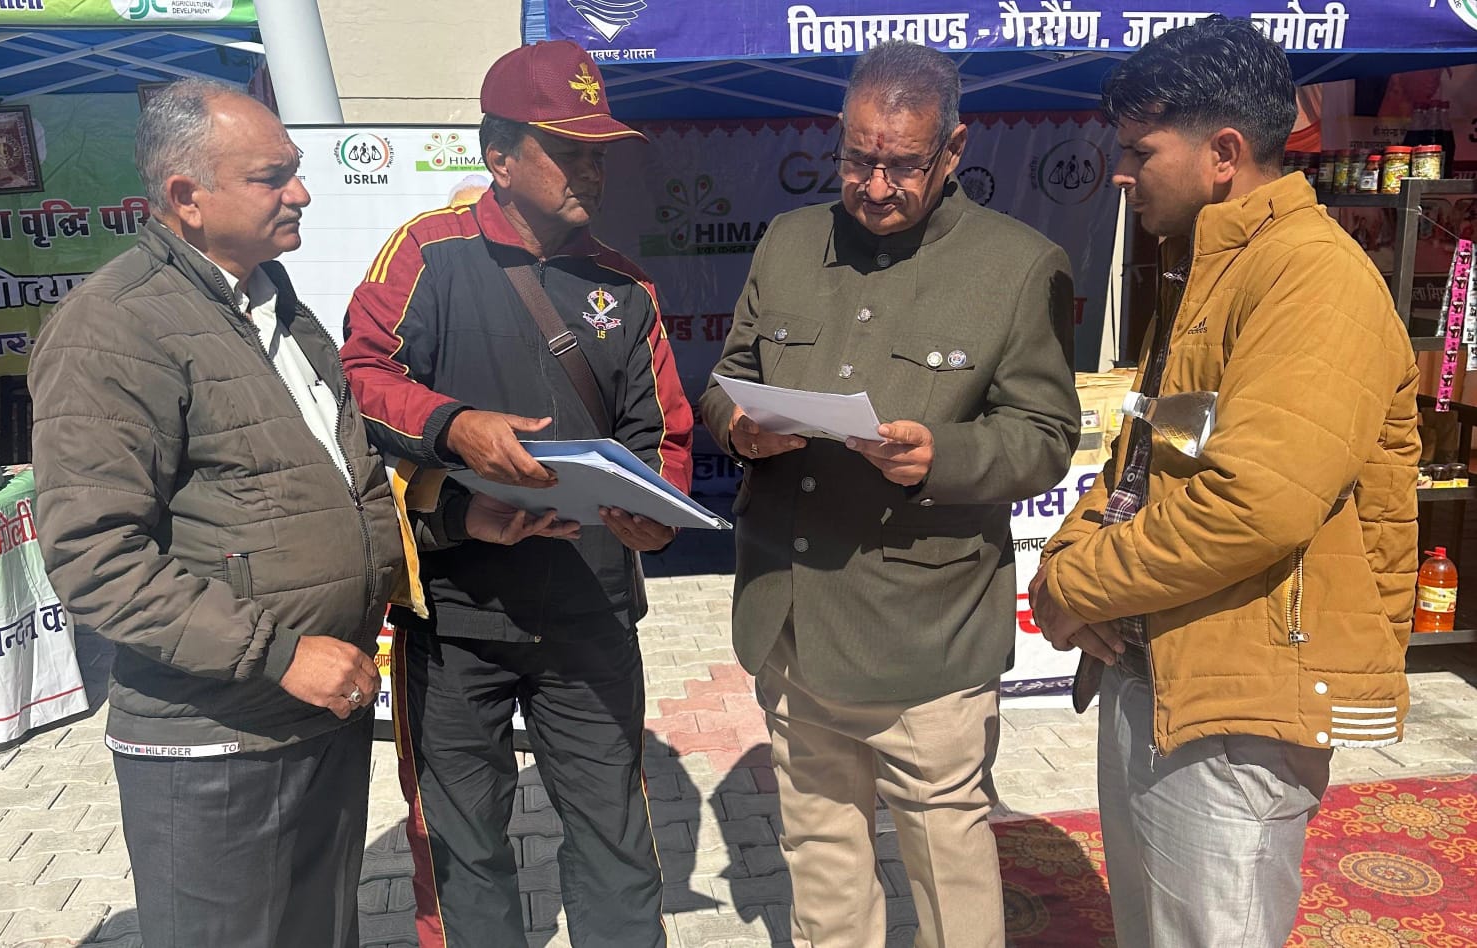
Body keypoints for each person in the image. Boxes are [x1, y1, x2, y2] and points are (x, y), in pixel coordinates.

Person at [1030, 17, 1419, 947]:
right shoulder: (1212, 268)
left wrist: (1076, 584)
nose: (1121, 174)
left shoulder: (1312, 278)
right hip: (1163, 666)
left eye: (1140, 151)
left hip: (1244, 696)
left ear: (1224, 154)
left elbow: (1254, 505)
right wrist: (1064, 559)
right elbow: (1144, 460)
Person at [698, 41, 1080, 948]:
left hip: (924, 635)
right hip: (792, 618)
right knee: (821, 856)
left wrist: (944, 455)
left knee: (948, 871)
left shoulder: (1019, 265)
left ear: (954, 150)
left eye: (902, 165)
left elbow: (1044, 435)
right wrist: (740, 428)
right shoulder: (791, 241)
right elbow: (726, 377)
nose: (874, 186)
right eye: (856, 158)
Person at [27, 80, 406, 947]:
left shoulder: (277, 306)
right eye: (272, 177)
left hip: (317, 714)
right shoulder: (114, 327)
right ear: (186, 197)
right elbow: (93, 557)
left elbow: (333, 487)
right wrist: (278, 654)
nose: (300, 193)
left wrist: (453, 528)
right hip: (216, 746)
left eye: (296, 170)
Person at [340, 39, 692, 948]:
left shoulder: (626, 286)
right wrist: (454, 425)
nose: (591, 170)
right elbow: (360, 379)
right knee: (464, 850)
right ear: (499, 156)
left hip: (590, 613)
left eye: (598, 153)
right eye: (568, 150)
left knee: (617, 842)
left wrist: (655, 519)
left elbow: (663, 436)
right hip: (456, 615)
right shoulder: (427, 254)